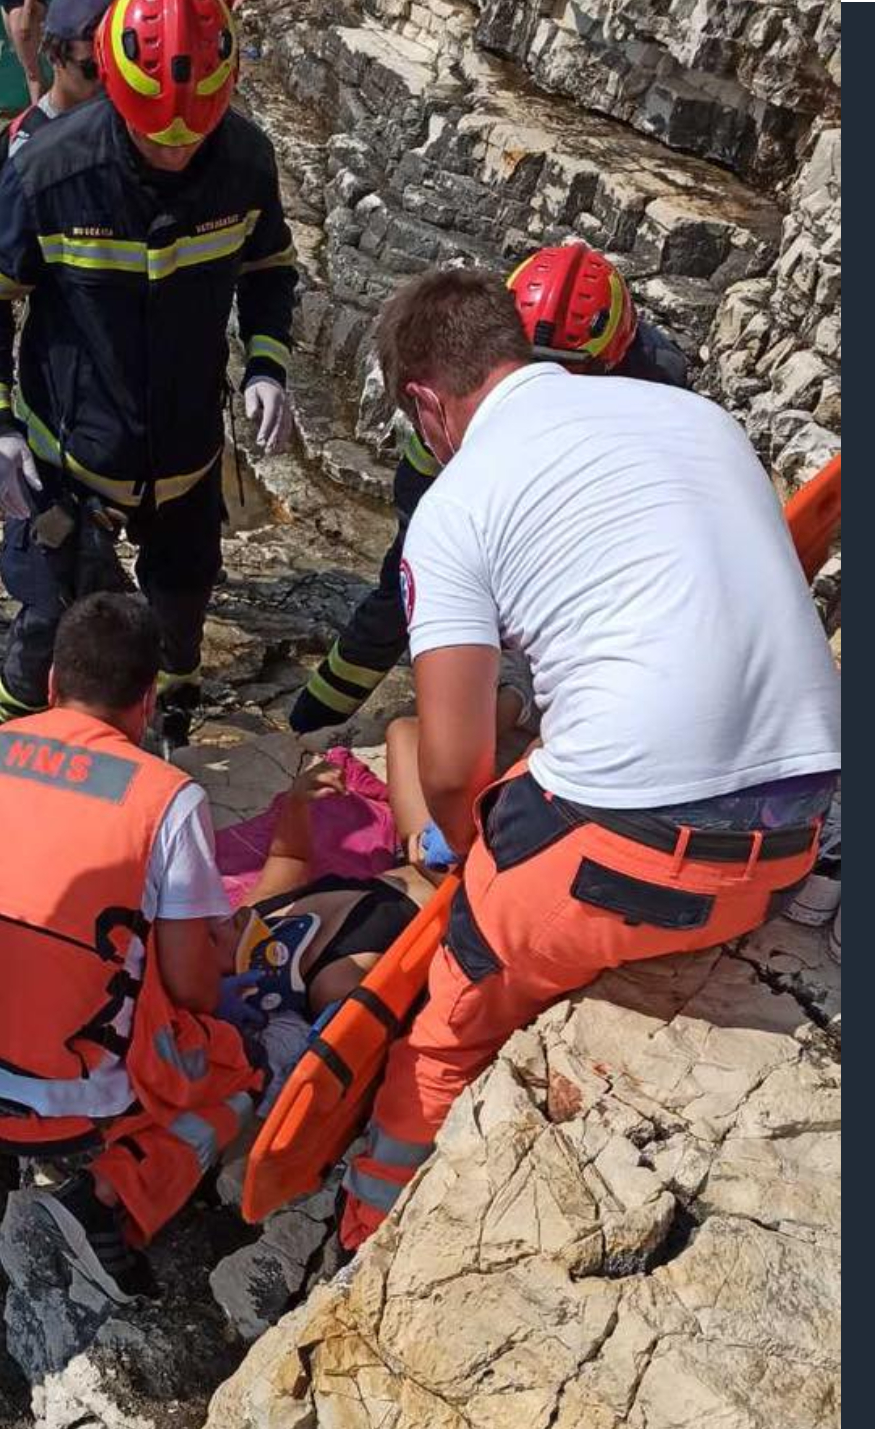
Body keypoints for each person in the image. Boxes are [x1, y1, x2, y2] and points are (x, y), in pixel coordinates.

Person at [335, 266, 840, 1250]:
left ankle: (361, 1233)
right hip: (797, 835)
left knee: (451, 1015)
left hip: (639, 859)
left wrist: (472, 867)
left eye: (417, 425)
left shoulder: (455, 504)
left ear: (427, 398)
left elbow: (449, 767)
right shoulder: (698, 421)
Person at [0, 593, 263, 1302]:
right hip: (62, 1106)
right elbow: (188, 989)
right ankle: (106, 1199)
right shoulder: (168, 797)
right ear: (148, 701)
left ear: (53, 685)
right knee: (238, 1068)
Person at [0, 0, 298, 744]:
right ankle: (5, 754)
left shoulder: (243, 162)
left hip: (187, 457)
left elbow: (271, 270)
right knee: (53, 630)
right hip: (71, 464)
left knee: (177, 625)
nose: (174, 153)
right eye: (153, 137)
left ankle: (167, 727)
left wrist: (266, 366)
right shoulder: (48, 171)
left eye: (192, 136)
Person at [288, 242, 694, 732]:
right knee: (408, 591)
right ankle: (314, 714)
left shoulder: (655, 388)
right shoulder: (453, 414)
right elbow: (405, 581)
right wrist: (310, 723)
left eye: (569, 373)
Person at [0, 0, 104, 184]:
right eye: (92, 69)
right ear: (55, 57)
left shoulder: (113, 118)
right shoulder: (26, 145)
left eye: (110, 63)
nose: (103, 81)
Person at [0, 0, 45, 106]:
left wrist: (27, 13)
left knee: (32, 74)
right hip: (7, 4)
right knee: (29, 68)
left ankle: (38, 116)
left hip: (22, 6)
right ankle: (40, 110)